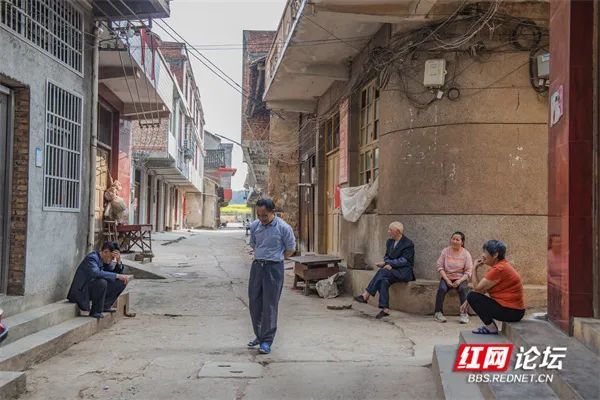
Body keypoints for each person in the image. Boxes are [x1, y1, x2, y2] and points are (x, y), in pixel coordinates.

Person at [247, 198, 296, 355]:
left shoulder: (283, 228)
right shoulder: (255, 226)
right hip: (257, 267)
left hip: (274, 268)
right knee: (254, 303)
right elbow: (254, 244)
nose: (262, 219)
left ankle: (267, 341)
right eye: (259, 215)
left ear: (272, 212)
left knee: (269, 305)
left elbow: (290, 249)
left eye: (265, 216)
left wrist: (275, 257)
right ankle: (259, 335)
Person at [461, 240, 525, 334]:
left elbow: (478, 288)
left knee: (472, 296)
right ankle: (491, 327)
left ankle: (491, 328)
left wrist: (474, 268)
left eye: (485, 252)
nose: (482, 255)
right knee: (472, 296)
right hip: (515, 311)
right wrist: (466, 302)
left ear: (495, 255)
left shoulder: (499, 269)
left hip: (512, 312)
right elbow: (482, 290)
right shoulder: (501, 266)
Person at [354, 222, 415, 319]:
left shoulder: (408, 243)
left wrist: (390, 264)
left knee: (382, 271)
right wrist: (386, 263)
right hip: (391, 271)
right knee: (383, 280)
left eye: (390, 230)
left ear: (398, 231)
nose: (388, 232)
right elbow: (386, 256)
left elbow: (404, 260)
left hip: (403, 272)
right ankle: (385, 309)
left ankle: (366, 294)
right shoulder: (389, 242)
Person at [67, 241, 131, 319]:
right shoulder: (92, 258)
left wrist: (119, 262)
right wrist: (117, 275)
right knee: (102, 282)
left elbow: (113, 275)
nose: (112, 260)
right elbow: (95, 273)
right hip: (81, 292)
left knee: (121, 281)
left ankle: (105, 306)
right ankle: (95, 311)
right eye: (112, 257)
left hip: (92, 290)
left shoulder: (105, 261)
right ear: (105, 252)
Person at [434, 232, 473, 324]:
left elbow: (468, 271)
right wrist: (447, 279)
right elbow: (439, 266)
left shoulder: (466, 254)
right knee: (442, 289)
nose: (454, 241)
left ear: (462, 242)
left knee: (463, 289)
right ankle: (438, 313)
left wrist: (459, 281)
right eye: (453, 239)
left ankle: (464, 314)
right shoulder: (445, 251)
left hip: (461, 278)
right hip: (447, 276)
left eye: (457, 239)